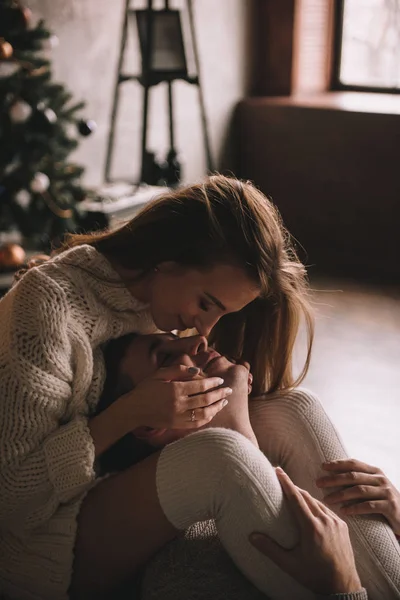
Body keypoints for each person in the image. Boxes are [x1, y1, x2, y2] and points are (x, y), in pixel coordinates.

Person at [0, 174, 315, 600]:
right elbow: (12, 502)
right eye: (206, 304)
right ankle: (337, 586)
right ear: (166, 257)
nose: (204, 329)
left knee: (296, 407)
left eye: (220, 313)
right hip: (41, 538)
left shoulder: (162, 303)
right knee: (222, 455)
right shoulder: (48, 307)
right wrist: (129, 413)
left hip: (123, 483)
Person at [93, 331, 400, 600]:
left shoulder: (289, 457)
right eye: (165, 358)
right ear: (150, 424)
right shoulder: (185, 565)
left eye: (178, 338)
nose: (198, 339)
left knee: (295, 407)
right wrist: (342, 587)